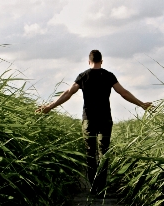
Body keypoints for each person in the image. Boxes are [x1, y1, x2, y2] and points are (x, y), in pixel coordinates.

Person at [36, 50, 151, 197]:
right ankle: (101, 189)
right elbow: (123, 93)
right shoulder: (109, 76)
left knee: (90, 154)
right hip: (105, 119)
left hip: (88, 119)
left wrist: (49, 107)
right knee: (104, 153)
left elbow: (68, 93)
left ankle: (93, 188)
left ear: (88, 61)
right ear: (101, 61)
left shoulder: (83, 76)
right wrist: (141, 104)